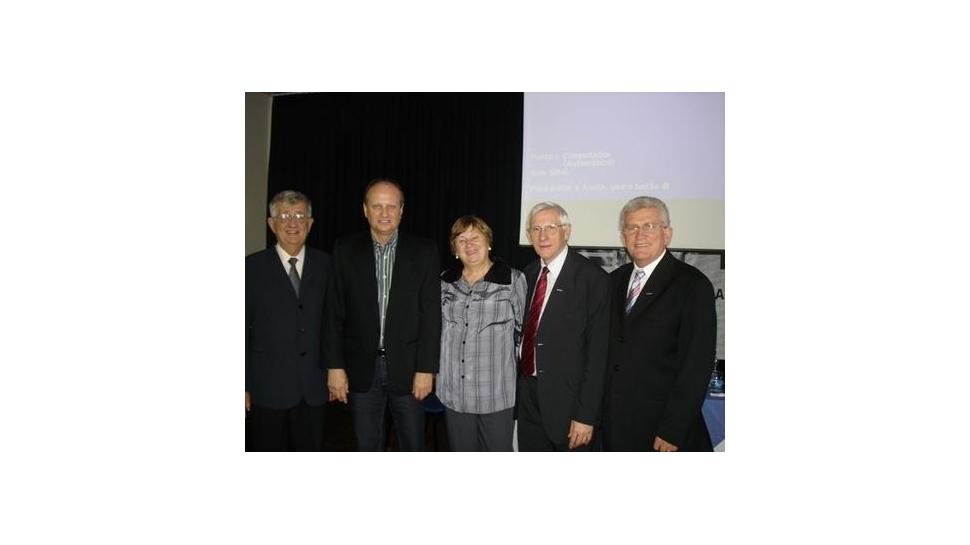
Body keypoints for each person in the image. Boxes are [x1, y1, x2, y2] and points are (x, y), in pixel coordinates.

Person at [325, 178, 441, 451]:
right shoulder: (345, 250)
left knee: (412, 444)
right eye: (377, 206)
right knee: (367, 445)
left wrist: (426, 369)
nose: (385, 213)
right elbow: (333, 312)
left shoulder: (424, 252)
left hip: (410, 369)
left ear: (402, 210)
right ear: (365, 210)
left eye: (391, 206)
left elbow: (430, 316)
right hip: (361, 370)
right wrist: (335, 366)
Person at [602, 196, 716, 452]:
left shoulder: (692, 285)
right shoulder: (613, 282)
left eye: (650, 226)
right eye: (632, 227)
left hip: (662, 431)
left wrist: (674, 429)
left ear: (667, 234)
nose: (640, 234)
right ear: (623, 238)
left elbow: (696, 366)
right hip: (615, 425)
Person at [516, 202, 609, 451]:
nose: (542, 235)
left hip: (570, 407)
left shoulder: (593, 279)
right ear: (528, 236)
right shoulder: (528, 273)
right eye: (536, 229)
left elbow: (598, 355)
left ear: (566, 231)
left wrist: (586, 415)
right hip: (529, 399)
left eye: (550, 227)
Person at [245, 190, 332, 451]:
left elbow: (336, 326)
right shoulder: (250, 269)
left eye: (299, 216)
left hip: (314, 388)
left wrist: (336, 372)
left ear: (310, 223)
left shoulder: (328, 266)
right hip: (266, 390)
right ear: (272, 224)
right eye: (284, 215)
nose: (292, 223)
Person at [438, 216, 526, 451]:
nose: (469, 244)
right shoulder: (445, 282)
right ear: (455, 249)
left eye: (475, 237)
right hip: (455, 394)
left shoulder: (513, 280)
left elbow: (524, 336)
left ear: (488, 241)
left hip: (496, 395)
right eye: (462, 239)